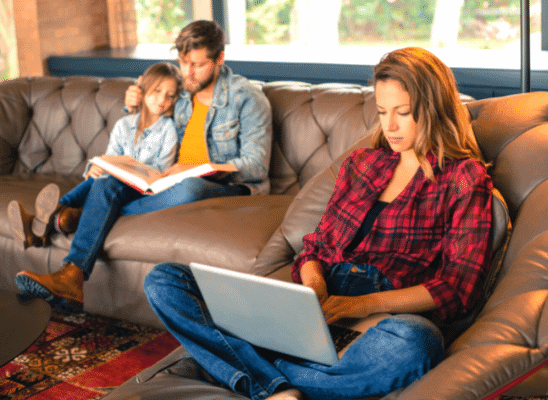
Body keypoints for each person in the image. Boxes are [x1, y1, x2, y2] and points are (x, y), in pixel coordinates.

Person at [144, 47, 494, 400]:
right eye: (383, 112)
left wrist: (361, 305)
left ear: (432, 109)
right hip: (318, 303)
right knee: (165, 279)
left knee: (418, 343)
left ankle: (244, 370)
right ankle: (274, 383)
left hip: (384, 316)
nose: (389, 126)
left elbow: (457, 287)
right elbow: (317, 246)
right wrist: (314, 289)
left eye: (403, 113)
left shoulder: (464, 178)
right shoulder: (363, 164)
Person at [12, 20, 273, 312]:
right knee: (107, 182)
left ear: (219, 60)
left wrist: (196, 168)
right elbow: (154, 118)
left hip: (226, 187)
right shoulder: (183, 94)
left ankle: (81, 216)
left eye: (197, 65)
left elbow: (256, 166)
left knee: (189, 187)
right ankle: (71, 276)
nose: (188, 73)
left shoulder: (247, 98)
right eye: (183, 62)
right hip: (166, 180)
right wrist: (134, 107)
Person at [10, 61, 183, 311]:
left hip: (141, 187)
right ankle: (56, 217)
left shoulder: (168, 129)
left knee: (107, 182)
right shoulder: (125, 125)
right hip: (114, 180)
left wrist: (128, 170)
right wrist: (97, 166)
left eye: (170, 95)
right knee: (98, 177)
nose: (163, 100)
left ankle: (53, 232)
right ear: (142, 90)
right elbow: (110, 155)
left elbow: (160, 169)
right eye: (156, 91)